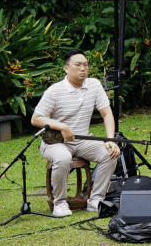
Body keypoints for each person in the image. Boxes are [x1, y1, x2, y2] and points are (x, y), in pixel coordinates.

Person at [31, 49, 121, 218]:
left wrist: (110, 140)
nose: (83, 69)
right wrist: (61, 126)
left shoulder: (94, 85)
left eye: (86, 65)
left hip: (82, 140)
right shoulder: (54, 91)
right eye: (78, 65)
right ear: (66, 68)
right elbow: (36, 119)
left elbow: (107, 114)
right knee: (63, 157)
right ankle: (60, 203)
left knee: (111, 153)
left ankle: (95, 200)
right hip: (54, 142)